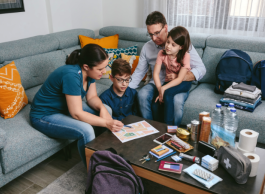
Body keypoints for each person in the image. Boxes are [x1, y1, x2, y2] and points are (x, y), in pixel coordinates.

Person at [30, 44, 124, 167]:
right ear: (86, 67)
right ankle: (94, 173)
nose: (104, 71)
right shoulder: (71, 75)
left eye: (105, 67)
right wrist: (106, 123)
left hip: (64, 109)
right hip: (44, 115)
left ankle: (105, 153)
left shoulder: (90, 74)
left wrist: (102, 109)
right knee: (86, 130)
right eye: (100, 69)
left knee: (106, 109)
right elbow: (76, 113)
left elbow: (92, 98)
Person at [129, 11, 206, 126]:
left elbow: (201, 69)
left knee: (177, 101)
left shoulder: (181, 43)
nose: (154, 38)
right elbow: (139, 72)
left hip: (177, 83)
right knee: (142, 95)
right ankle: (151, 130)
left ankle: (172, 133)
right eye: (150, 34)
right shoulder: (148, 47)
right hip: (156, 83)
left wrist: (182, 76)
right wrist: (124, 89)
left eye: (157, 33)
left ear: (165, 28)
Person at [153, 26, 192, 125]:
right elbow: (155, 73)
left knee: (168, 93)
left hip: (184, 82)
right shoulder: (161, 53)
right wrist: (159, 89)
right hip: (169, 81)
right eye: (168, 42)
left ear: (181, 47)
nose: (168, 46)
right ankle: (158, 126)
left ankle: (169, 127)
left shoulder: (185, 56)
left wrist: (164, 89)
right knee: (157, 101)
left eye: (173, 45)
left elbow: (179, 79)